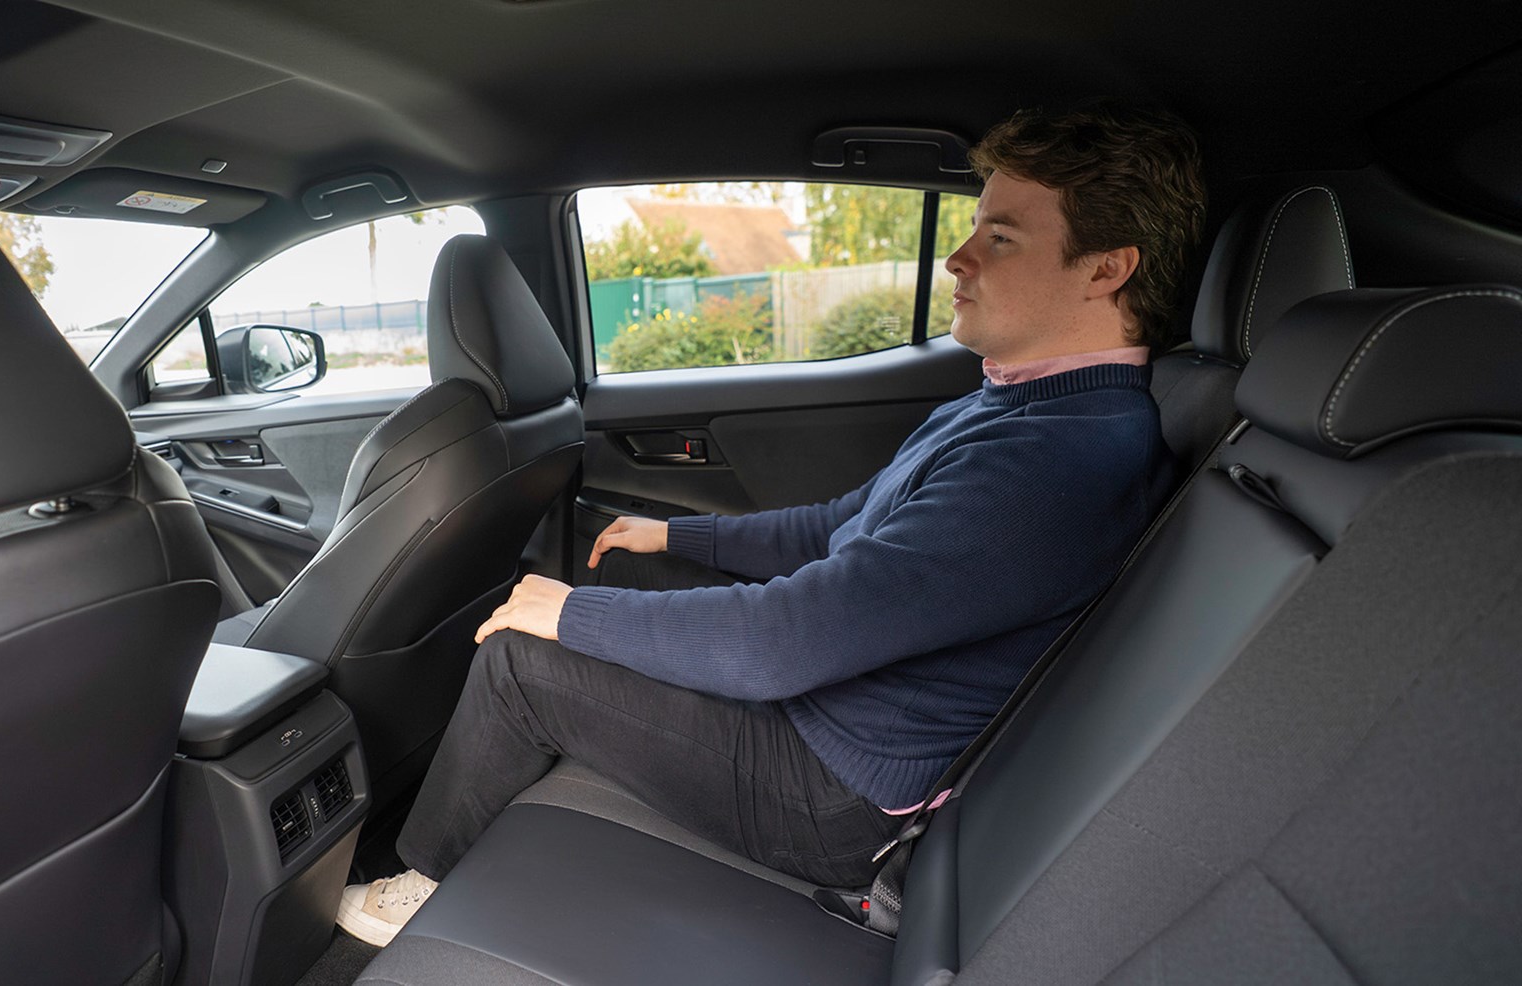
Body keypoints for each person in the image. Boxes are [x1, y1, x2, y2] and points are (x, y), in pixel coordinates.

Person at [337, 103, 1204, 947]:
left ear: (1106, 269)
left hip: (838, 797)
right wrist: (676, 537)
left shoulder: (1055, 461)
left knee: (518, 665)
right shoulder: (1020, 406)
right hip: (831, 713)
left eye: (1001, 238)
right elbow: (840, 526)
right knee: (616, 569)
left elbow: (782, 644)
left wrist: (567, 615)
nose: (959, 257)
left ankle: (419, 882)